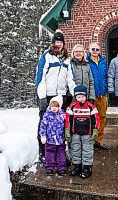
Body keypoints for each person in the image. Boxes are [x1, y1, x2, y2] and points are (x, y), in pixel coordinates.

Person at [35, 30, 76, 162]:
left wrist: (76, 94)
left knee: (61, 125)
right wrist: (42, 98)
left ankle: (61, 154)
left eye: (61, 42)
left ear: (64, 44)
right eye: (56, 42)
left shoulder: (67, 59)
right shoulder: (46, 56)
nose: (58, 44)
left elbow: (70, 78)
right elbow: (40, 78)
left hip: (62, 95)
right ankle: (43, 153)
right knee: (45, 123)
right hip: (48, 96)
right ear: (53, 43)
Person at [65, 85, 100, 179]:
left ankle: (87, 168)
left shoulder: (91, 107)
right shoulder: (71, 107)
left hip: (87, 134)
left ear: (86, 96)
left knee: (87, 150)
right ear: (76, 97)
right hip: (75, 133)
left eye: (83, 96)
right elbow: (68, 118)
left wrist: (95, 129)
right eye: (79, 97)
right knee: (75, 149)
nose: (81, 99)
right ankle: (77, 166)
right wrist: (67, 130)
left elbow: (96, 119)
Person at [86, 42, 109, 150]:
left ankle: (98, 141)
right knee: (90, 118)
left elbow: (106, 76)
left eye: (97, 49)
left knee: (102, 118)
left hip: (102, 94)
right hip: (91, 95)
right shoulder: (86, 62)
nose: (95, 51)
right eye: (93, 49)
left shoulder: (103, 61)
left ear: (100, 51)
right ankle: (89, 140)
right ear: (89, 50)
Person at [39, 95, 67, 176]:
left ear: (60, 106)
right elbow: (43, 126)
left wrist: (66, 136)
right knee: (49, 154)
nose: (54, 108)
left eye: (56, 106)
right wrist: (43, 136)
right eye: (52, 106)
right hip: (50, 139)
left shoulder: (63, 115)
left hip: (60, 139)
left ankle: (61, 168)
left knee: (61, 154)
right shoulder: (47, 115)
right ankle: (49, 168)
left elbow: (66, 126)